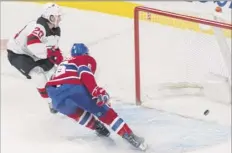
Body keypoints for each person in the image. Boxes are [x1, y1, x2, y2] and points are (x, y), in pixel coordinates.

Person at [45, 43, 148, 151]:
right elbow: (85, 73)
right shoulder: (84, 58)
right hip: (73, 87)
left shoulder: (63, 63)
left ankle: (97, 127)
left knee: (77, 112)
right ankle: (129, 136)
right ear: (85, 53)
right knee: (105, 112)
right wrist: (96, 91)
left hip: (55, 96)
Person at [6, 3, 64, 113]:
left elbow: (53, 48)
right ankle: (50, 102)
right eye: (57, 16)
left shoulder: (56, 29)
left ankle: (58, 95)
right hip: (18, 54)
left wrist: (61, 60)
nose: (60, 19)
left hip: (35, 51)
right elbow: (32, 44)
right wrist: (49, 52)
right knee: (39, 76)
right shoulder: (38, 27)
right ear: (50, 17)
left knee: (54, 72)